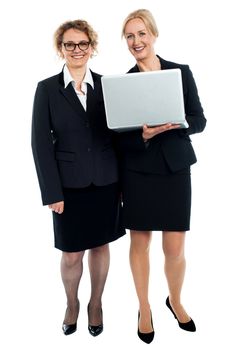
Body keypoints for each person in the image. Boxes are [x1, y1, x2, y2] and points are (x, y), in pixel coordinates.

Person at [31, 19, 125, 337]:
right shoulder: (47, 89)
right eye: (69, 44)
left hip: (106, 181)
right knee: (72, 253)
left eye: (82, 43)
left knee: (101, 247)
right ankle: (72, 303)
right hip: (68, 187)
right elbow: (40, 143)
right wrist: (51, 192)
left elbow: (118, 138)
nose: (76, 50)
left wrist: (124, 185)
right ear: (61, 49)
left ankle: (95, 304)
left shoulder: (107, 86)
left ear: (91, 47)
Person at [118, 9, 206, 344]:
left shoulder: (180, 73)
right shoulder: (123, 82)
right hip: (138, 170)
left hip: (174, 168)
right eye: (129, 36)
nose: (136, 41)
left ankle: (176, 300)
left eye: (141, 34)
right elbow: (117, 136)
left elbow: (200, 120)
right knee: (139, 243)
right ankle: (144, 308)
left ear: (153, 35)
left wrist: (177, 121)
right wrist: (141, 134)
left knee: (175, 247)